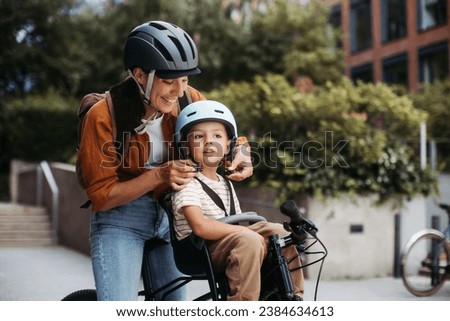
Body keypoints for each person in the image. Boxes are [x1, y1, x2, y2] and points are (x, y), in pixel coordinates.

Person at [77, 21, 252, 301]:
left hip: (173, 216)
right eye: (169, 81)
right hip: (120, 219)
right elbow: (100, 195)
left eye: (184, 80)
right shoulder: (103, 115)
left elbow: (221, 131)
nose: (178, 91)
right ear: (139, 75)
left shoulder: (188, 100)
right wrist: (159, 176)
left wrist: (241, 152)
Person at [171, 100, 304, 301]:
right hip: (199, 249)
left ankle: (291, 296)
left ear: (228, 145)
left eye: (217, 135)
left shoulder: (225, 183)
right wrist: (244, 232)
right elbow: (200, 227)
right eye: (199, 136)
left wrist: (251, 230)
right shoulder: (187, 181)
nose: (209, 141)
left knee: (280, 232)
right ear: (185, 145)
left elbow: (234, 222)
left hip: (225, 242)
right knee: (248, 239)